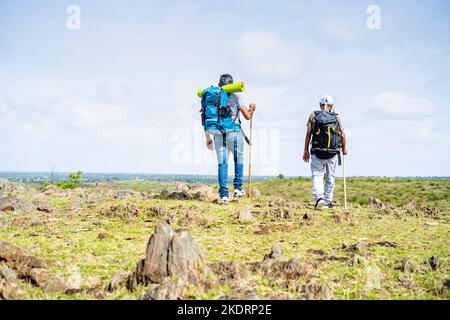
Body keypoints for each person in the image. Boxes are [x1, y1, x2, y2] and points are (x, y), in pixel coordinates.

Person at [205, 74, 256, 205]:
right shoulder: (236, 96)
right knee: (238, 158)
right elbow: (247, 116)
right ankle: (238, 188)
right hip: (234, 131)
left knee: (222, 163)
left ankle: (223, 196)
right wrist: (252, 109)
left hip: (217, 133)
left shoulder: (214, 97)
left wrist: (207, 138)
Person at [302, 95, 347, 210]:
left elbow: (308, 134)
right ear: (332, 106)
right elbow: (343, 134)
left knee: (317, 174)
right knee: (330, 176)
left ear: (320, 105)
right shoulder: (337, 117)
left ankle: (319, 198)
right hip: (333, 153)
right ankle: (328, 201)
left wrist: (306, 150)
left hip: (317, 151)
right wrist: (344, 149)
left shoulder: (313, 115)